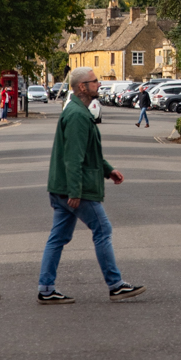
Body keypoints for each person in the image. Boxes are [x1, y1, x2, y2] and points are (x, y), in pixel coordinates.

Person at [38, 66, 144, 304]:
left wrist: (108, 170)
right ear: (82, 87)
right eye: (95, 81)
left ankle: (46, 288)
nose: (99, 84)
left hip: (60, 187)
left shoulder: (78, 111)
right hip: (74, 190)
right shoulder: (76, 115)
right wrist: (75, 191)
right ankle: (115, 285)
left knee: (58, 237)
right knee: (103, 230)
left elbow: (87, 152)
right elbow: (73, 158)